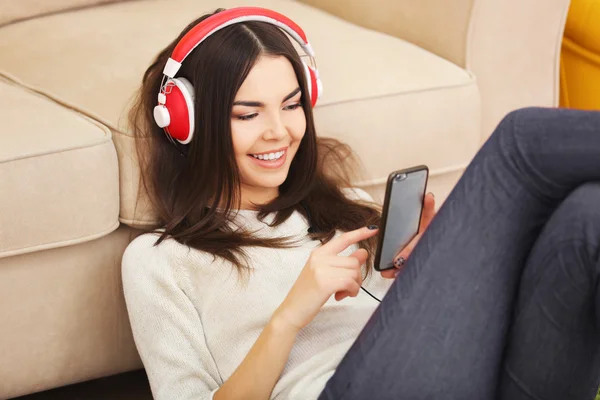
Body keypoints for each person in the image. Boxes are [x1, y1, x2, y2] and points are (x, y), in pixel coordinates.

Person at [122, 6, 600, 400]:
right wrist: (291, 314)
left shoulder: (342, 208)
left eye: (292, 106)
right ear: (187, 123)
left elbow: (427, 342)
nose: (278, 131)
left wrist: (424, 273)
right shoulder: (161, 261)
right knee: (517, 143)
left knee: (586, 216)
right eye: (248, 114)